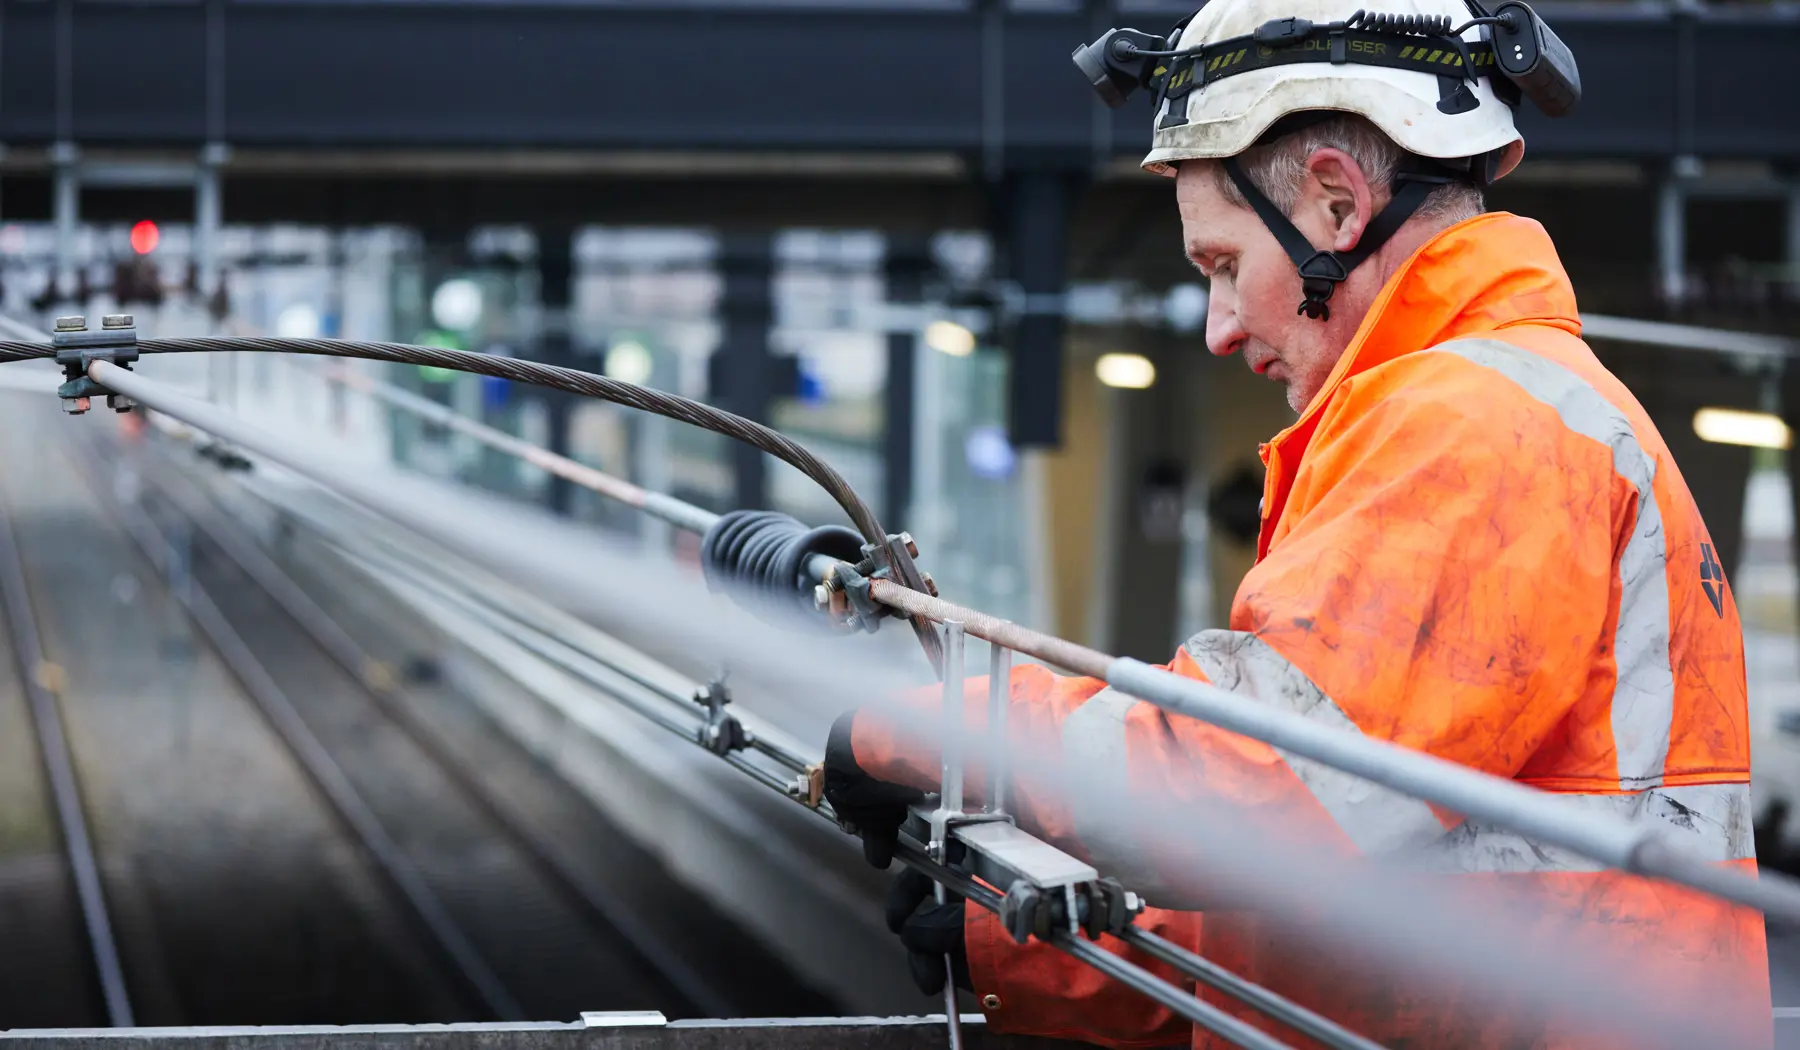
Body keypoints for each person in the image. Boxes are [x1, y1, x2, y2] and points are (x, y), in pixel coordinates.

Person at [821, 0, 1774, 1045]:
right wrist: (1033, 947)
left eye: (1224, 266)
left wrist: (932, 729)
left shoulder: (1471, 430)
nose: (1222, 329)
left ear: (1333, 203)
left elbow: (1257, 791)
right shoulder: (1496, 410)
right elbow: (1366, 885)